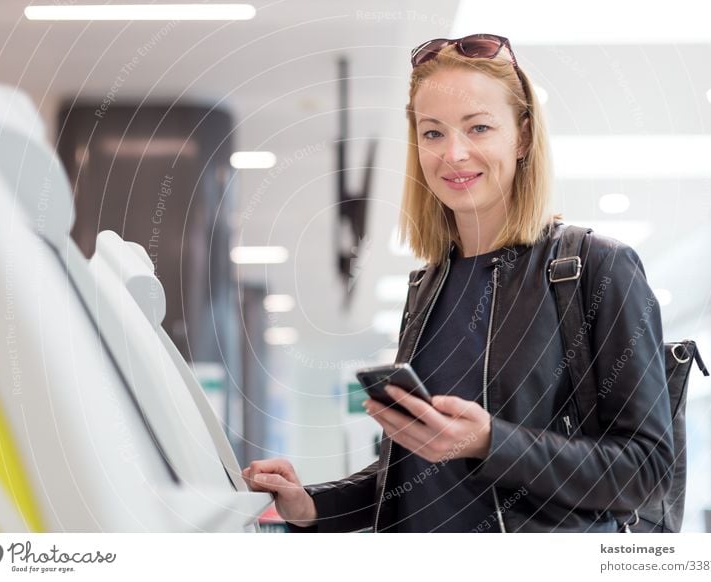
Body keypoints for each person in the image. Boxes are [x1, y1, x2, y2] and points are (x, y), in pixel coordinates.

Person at [242, 33, 673, 532]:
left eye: (479, 128)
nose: (453, 154)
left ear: (524, 136)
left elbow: (647, 470)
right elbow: (413, 476)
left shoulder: (594, 267)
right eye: (433, 133)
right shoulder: (427, 286)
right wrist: (311, 503)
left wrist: (492, 441)